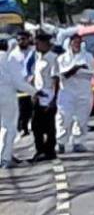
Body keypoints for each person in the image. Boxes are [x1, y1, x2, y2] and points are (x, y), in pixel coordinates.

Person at [56, 33, 94, 153]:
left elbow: (90, 73)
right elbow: (62, 75)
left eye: (79, 42)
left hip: (83, 92)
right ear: (69, 43)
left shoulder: (88, 57)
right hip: (66, 92)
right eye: (74, 42)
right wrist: (76, 69)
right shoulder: (62, 58)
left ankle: (78, 142)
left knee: (81, 118)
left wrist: (76, 70)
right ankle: (61, 142)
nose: (76, 44)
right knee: (64, 117)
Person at [0, 37, 35, 168]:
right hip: (6, 95)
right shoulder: (9, 59)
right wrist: (34, 92)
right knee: (8, 127)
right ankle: (5, 158)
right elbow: (18, 82)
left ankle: (4, 155)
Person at [30, 32, 60, 162]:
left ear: (45, 44)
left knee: (49, 126)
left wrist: (53, 99)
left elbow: (55, 80)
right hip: (38, 96)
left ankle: (50, 150)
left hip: (49, 96)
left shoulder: (53, 58)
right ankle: (40, 150)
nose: (36, 45)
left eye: (38, 43)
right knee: (36, 126)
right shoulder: (38, 58)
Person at [12, 30, 34, 137]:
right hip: (20, 85)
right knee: (22, 109)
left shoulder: (33, 51)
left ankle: (32, 126)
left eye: (23, 39)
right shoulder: (13, 54)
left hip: (33, 84)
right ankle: (22, 128)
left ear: (28, 39)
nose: (21, 41)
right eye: (19, 40)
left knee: (33, 108)